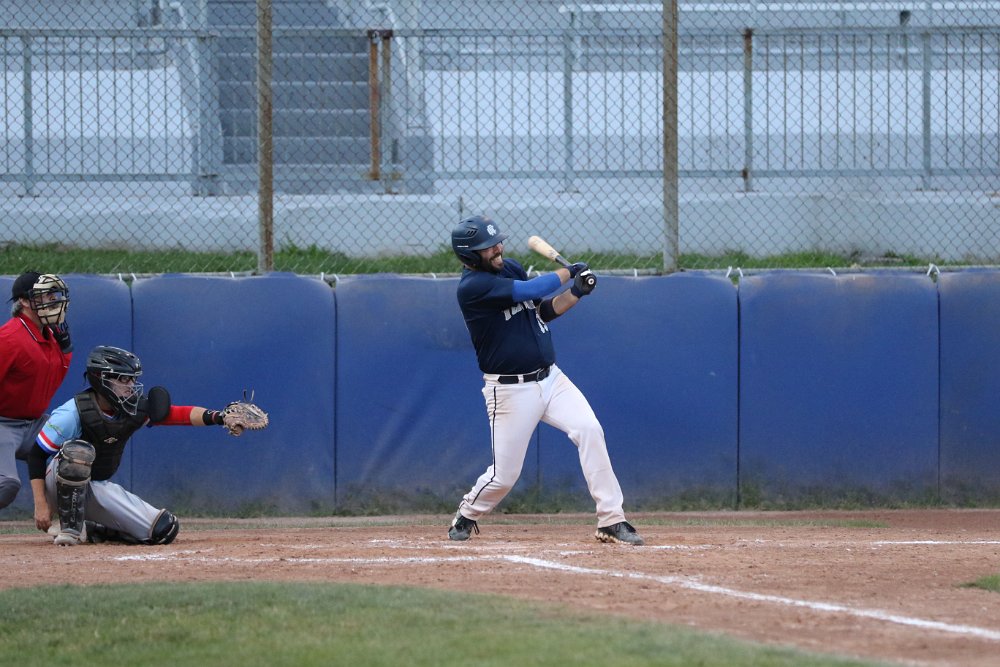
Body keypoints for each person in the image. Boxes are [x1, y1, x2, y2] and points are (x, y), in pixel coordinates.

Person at [447, 216, 644, 545]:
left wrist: (576, 292)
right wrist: (570, 271)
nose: (498, 249)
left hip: (552, 378)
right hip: (510, 391)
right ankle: (467, 512)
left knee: (589, 430)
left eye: (497, 242)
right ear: (469, 255)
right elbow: (533, 289)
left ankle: (612, 519)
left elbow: (541, 310)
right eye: (488, 247)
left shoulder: (510, 267)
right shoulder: (472, 287)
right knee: (504, 476)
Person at [26, 345, 253, 546]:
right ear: (102, 379)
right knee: (78, 453)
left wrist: (219, 417)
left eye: (132, 379)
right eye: (123, 379)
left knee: (164, 529)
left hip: (94, 486)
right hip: (57, 485)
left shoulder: (131, 408)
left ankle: (95, 529)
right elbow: (36, 455)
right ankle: (70, 529)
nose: (131, 386)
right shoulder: (72, 412)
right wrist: (41, 504)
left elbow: (179, 414)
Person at [0, 271, 72, 510]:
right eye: (44, 294)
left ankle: (75, 519)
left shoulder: (52, 336)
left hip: (33, 424)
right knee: (6, 485)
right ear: (23, 301)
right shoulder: (9, 338)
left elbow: (50, 380)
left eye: (53, 293)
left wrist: (66, 352)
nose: (53, 299)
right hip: (3, 424)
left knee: (79, 453)